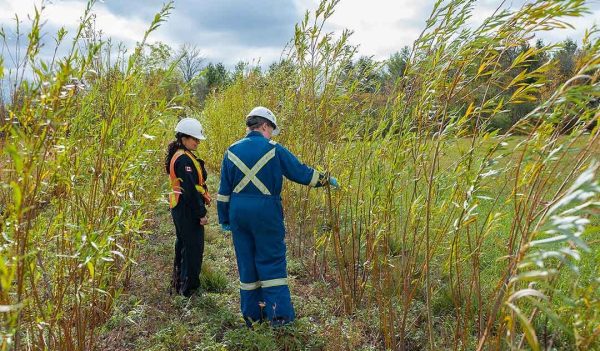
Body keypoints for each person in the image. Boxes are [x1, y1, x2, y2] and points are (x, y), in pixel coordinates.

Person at [217, 106, 339, 326]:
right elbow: (300, 172)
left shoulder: (231, 151)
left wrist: (224, 218)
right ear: (264, 125)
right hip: (266, 212)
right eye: (271, 129)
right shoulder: (274, 149)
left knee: (246, 263)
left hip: (238, 213)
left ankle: (253, 317)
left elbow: (224, 191)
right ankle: (279, 317)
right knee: (272, 263)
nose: (271, 134)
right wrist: (325, 179)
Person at [165, 117, 212, 297]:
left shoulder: (183, 155)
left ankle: (180, 283)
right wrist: (201, 213)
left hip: (181, 208)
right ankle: (189, 289)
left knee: (184, 245)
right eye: (194, 139)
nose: (197, 142)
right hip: (186, 209)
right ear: (183, 138)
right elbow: (190, 191)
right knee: (193, 248)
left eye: (198, 139)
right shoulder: (183, 160)